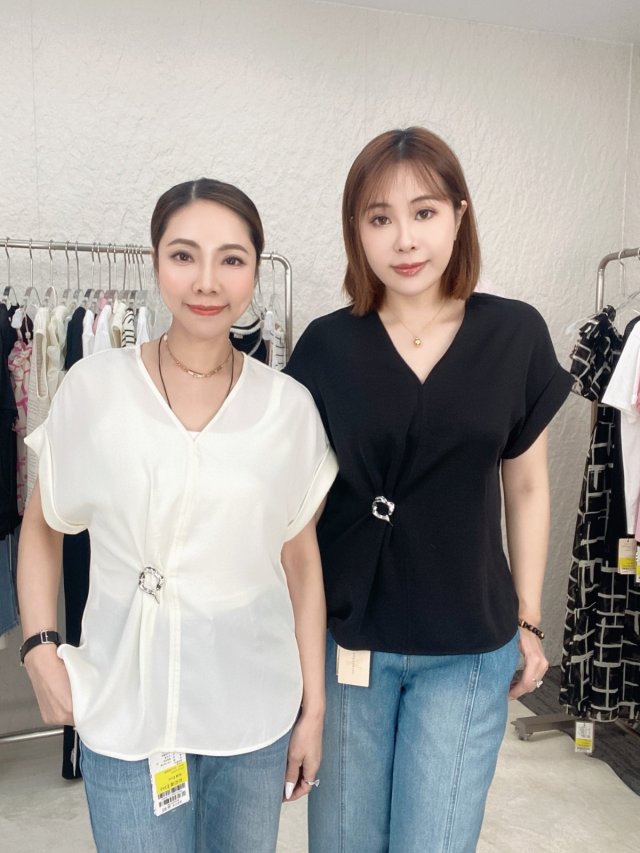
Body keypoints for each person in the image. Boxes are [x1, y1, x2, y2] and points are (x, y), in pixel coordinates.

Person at [17, 178, 338, 853]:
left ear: (255, 270)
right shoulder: (95, 389)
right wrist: (40, 648)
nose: (207, 281)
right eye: (184, 255)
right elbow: (43, 525)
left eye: (232, 258)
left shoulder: (287, 408)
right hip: (126, 711)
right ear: (156, 261)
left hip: (252, 716)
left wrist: (313, 708)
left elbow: (301, 561)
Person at [285, 127, 572, 853]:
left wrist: (530, 618)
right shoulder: (325, 346)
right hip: (351, 642)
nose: (405, 239)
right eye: (380, 217)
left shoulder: (514, 334)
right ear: (356, 230)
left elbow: (527, 486)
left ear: (459, 215)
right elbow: (297, 516)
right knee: (344, 842)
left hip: (469, 646)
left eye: (425, 212)